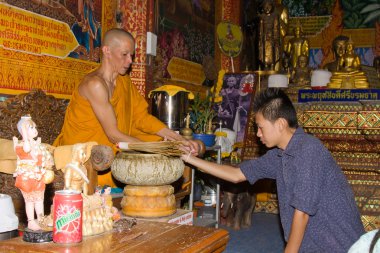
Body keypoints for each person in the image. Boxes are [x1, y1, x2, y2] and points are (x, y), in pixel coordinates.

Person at [181, 88, 365, 252]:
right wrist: (191, 160)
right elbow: (237, 175)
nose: (258, 134)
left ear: (280, 124)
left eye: (260, 128)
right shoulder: (280, 154)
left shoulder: (309, 150)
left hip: (340, 247)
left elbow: (301, 214)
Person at [54, 28, 198, 187]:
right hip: (89, 158)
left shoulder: (124, 81)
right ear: (107, 51)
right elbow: (113, 135)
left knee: (166, 149)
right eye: (124, 54)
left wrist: (177, 139)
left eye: (131, 55)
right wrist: (155, 150)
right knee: (158, 157)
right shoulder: (94, 85)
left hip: (116, 148)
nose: (130, 61)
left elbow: (141, 118)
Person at [13, 116, 54, 231]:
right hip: (27, 177)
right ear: (24, 130)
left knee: (39, 199)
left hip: (38, 176)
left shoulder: (37, 144)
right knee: (30, 200)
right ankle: (31, 221)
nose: (35, 129)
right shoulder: (22, 144)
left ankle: (40, 219)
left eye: (35, 127)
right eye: (31, 127)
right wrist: (25, 136)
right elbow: (27, 149)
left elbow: (42, 157)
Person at [258, 0, 281, 71]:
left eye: (269, 6)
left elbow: (276, 28)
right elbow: (260, 30)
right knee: (264, 52)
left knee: (272, 52)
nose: (267, 8)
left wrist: (275, 38)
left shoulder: (275, 16)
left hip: (272, 38)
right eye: (265, 6)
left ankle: (272, 66)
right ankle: (265, 66)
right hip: (264, 38)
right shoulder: (262, 17)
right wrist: (260, 39)